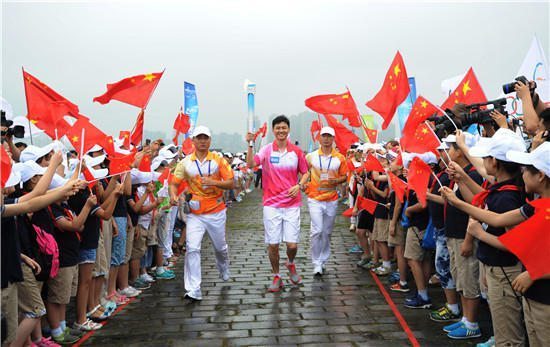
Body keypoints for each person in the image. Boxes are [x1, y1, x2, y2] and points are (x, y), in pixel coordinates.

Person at [170, 126, 234, 301]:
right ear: (193, 141)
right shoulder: (185, 163)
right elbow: (174, 183)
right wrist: (173, 195)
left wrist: (213, 182)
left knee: (220, 248)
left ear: (210, 140)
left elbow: (231, 183)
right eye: (199, 138)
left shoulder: (218, 161)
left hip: (216, 211)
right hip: (195, 213)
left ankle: (223, 267)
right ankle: (193, 288)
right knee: (192, 248)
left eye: (205, 138)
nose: (202, 141)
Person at [245, 115, 308, 292]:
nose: (281, 131)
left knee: (292, 245)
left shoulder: (296, 151)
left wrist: (299, 185)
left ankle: (291, 263)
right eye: (278, 128)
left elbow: (305, 172)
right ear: (273, 130)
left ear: (288, 130)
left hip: (292, 204)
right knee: (273, 244)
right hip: (271, 204)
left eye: (284, 128)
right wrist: (250, 144)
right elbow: (250, 164)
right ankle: (277, 276)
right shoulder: (266, 150)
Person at [302, 127, 347, 275]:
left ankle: (323, 259)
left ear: (333, 139)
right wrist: (303, 184)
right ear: (319, 138)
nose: (326, 139)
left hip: (331, 198)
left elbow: (345, 176)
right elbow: (304, 172)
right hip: (314, 198)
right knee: (317, 230)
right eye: (324, 136)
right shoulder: (311, 156)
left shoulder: (339, 158)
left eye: (329, 136)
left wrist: (336, 180)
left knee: (327, 232)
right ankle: (316, 262)